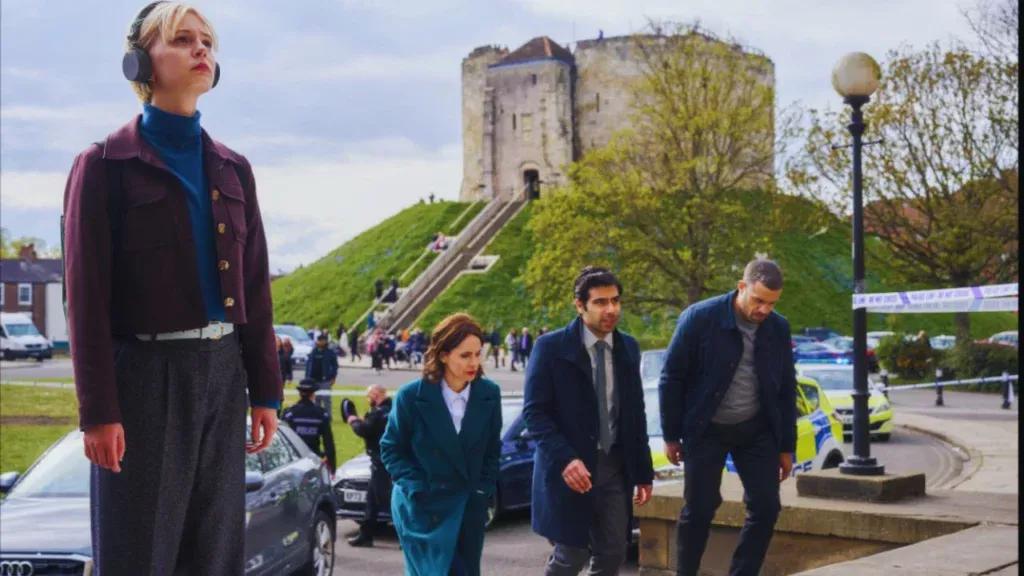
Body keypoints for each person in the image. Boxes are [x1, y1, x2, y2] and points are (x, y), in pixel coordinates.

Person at [61, 3, 281, 574]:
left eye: (207, 41)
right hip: (144, 379)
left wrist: (265, 390)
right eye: (183, 40)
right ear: (141, 62)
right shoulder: (104, 164)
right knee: (139, 555)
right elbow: (84, 302)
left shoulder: (235, 169)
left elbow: (255, 288)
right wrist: (98, 412)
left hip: (224, 375)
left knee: (215, 556)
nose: (201, 51)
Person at [658, 259, 797, 576]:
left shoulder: (778, 327)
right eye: (758, 300)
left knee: (766, 507)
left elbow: (787, 388)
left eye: (771, 304)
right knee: (700, 508)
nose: (763, 310)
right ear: (741, 287)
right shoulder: (700, 318)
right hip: (706, 428)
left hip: (756, 429)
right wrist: (671, 435)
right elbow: (671, 378)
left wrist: (786, 447)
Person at [523, 266, 654, 575]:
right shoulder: (550, 348)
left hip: (614, 466)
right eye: (600, 302)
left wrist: (643, 471)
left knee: (613, 554)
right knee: (571, 556)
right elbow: (534, 413)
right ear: (580, 306)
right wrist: (565, 459)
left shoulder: (628, 348)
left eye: (615, 300)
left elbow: (635, 413)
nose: (611, 309)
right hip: (570, 468)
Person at [379, 313, 503, 576]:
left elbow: (492, 450)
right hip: (422, 508)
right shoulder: (411, 396)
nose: (474, 362)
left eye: (478, 354)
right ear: (443, 355)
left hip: (467, 506)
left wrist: (482, 489)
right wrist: (416, 487)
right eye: (465, 355)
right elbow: (391, 448)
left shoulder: (489, 393)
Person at [345, 384, 394, 548]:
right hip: (385, 460)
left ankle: (407, 535)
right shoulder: (392, 409)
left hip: (382, 461)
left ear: (376, 395)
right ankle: (366, 535)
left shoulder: (380, 413)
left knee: (386, 499)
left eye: (369, 396)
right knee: (372, 500)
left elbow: (365, 430)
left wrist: (353, 420)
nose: (368, 399)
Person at [281, 378, 336, 476]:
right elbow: (329, 443)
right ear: (313, 394)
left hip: (293, 461)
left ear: (299, 393)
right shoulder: (321, 414)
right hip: (314, 461)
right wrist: (332, 468)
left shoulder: (290, 413)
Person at [305, 333, 338, 415]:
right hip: (313, 380)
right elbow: (308, 366)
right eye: (320, 340)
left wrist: (333, 377)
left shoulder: (330, 353)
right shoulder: (313, 352)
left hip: (325, 380)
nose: (321, 342)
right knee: (316, 400)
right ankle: (317, 415)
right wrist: (307, 378)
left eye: (323, 340)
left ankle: (327, 416)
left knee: (326, 399)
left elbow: (335, 366)